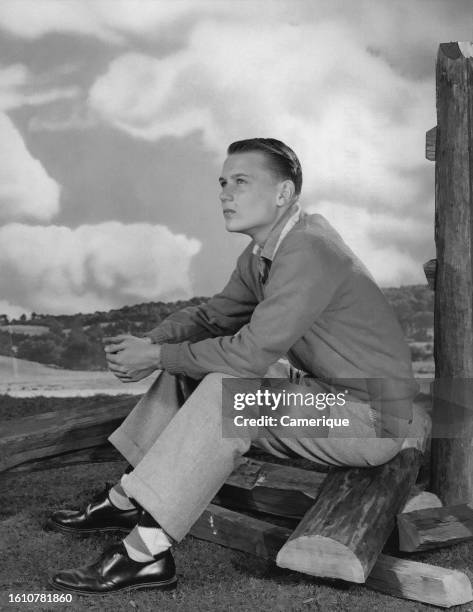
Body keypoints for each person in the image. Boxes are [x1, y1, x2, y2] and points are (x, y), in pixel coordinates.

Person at [47, 138, 429, 595]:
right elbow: (210, 320)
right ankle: (127, 498)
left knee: (226, 392)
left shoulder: (309, 249)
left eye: (241, 183)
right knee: (188, 366)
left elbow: (248, 356)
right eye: (223, 183)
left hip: (371, 418)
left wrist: (157, 356)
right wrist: (152, 343)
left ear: (283, 193)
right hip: (323, 393)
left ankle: (145, 554)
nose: (225, 194)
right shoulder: (262, 254)